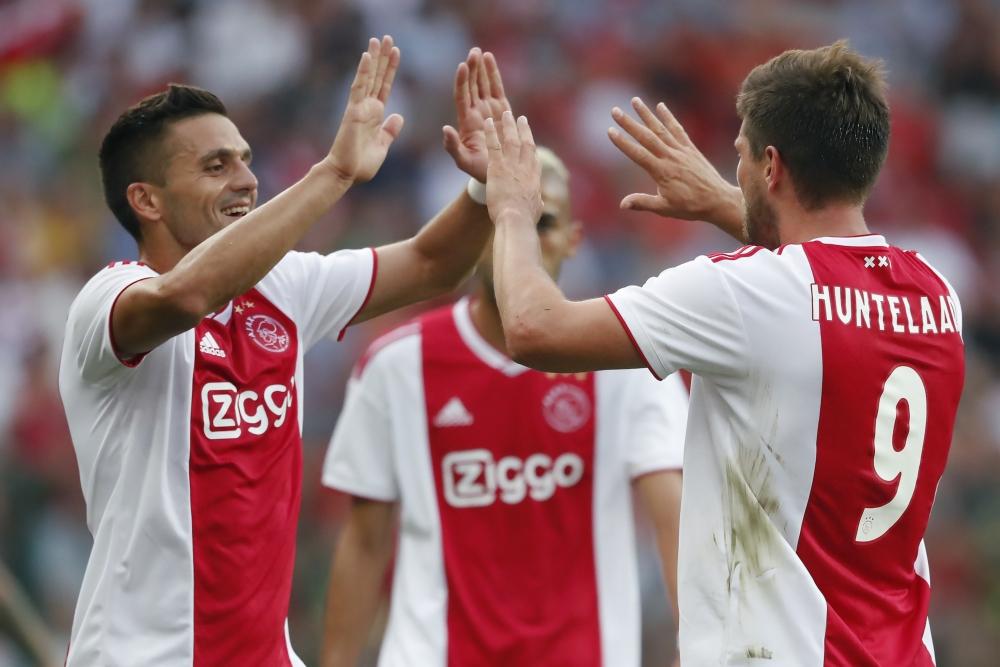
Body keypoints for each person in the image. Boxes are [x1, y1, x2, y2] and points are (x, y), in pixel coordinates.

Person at [483, 41, 964, 666]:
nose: (732, 173)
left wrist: (513, 211)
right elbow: (819, 282)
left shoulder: (742, 293)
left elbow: (533, 328)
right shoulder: (937, 293)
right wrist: (720, 201)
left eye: (738, 156)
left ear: (771, 166)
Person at [58, 38, 509, 666]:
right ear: (147, 200)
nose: (247, 180)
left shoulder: (283, 287)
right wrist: (334, 173)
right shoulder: (107, 302)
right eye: (215, 166)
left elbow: (433, 264)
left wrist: (485, 189)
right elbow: (187, 295)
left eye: (245, 160)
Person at [319, 147, 687, 667]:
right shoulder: (397, 363)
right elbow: (364, 540)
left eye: (543, 222)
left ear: (572, 240)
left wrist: (696, 649)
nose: (520, 239)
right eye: (500, 218)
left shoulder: (625, 362)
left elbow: (675, 519)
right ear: (471, 235)